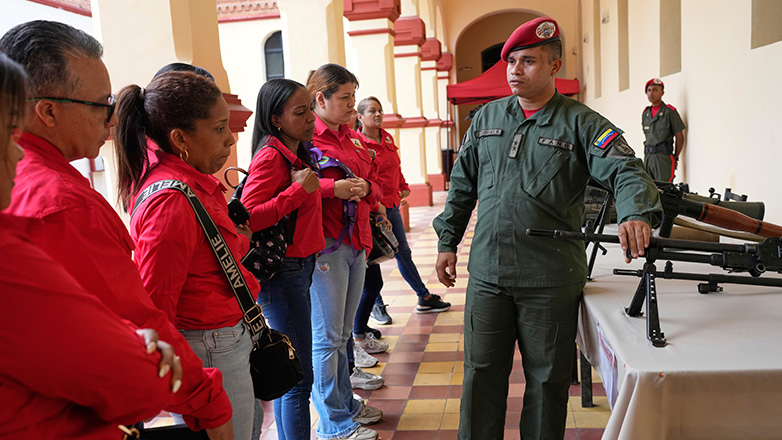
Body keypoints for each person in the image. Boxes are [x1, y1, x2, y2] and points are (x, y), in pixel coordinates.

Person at [0, 21, 234, 439]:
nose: (112, 120)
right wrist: (207, 401)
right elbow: (135, 330)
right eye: (102, 104)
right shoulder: (62, 203)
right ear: (48, 110)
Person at [433, 17, 663, 440]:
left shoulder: (582, 124)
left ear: (555, 66)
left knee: (547, 382)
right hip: (488, 274)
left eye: (529, 61)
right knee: (480, 376)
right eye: (512, 61)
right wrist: (448, 240)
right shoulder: (485, 119)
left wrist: (634, 212)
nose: (516, 71)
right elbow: (462, 185)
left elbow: (628, 171)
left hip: (550, 279)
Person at [114, 71, 262, 440]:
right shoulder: (171, 201)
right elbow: (155, 303)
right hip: (209, 347)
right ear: (180, 138)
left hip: (225, 336)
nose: (230, 139)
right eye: (218, 129)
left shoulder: (191, 182)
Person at [239, 78, 323, 440]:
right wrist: (295, 191)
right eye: (300, 112)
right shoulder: (272, 156)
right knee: (296, 378)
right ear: (276, 119)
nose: (311, 119)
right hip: (283, 274)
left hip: (298, 268)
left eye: (310, 109)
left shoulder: (292, 151)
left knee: (299, 373)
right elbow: (248, 215)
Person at [307, 63, 383, 440]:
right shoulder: (306, 140)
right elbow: (291, 191)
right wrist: (329, 191)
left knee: (341, 336)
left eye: (355, 96)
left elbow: (374, 183)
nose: (353, 105)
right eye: (346, 97)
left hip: (356, 241)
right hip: (325, 246)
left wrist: (368, 190)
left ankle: (345, 405)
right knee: (327, 338)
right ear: (320, 99)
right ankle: (333, 424)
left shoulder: (350, 138)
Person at [353, 96, 451, 332]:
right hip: (371, 208)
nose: (377, 115)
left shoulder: (386, 137)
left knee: (401, 252)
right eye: (372, 111)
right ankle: (376, 305)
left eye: (380, 110)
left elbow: (395, 166)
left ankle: (423, 297)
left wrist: (403, 185)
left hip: (391, 206)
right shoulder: (357, 143)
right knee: (373, 257)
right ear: (360, 117)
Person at [642, 78, 686, 182]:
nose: (651, 93)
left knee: (664, 189)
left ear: (662, 93)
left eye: (655, 90)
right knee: (649, 189)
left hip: (663, 158)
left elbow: (679, 137)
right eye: (649, 90)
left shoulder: (669, 112)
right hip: (648, 158)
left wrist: (675, 157)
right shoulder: (645, 114)